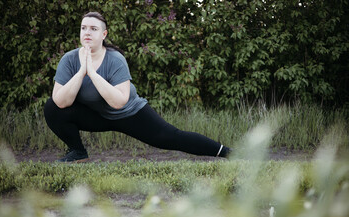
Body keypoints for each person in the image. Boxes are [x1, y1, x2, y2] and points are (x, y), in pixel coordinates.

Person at [44, 11, 231, 162]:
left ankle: (229, 153)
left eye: (93, 29)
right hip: (96, 116)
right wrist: (81, 71)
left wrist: (92, 73)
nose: (87, 32)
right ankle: (78, 152)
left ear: (103, 34)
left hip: (129, 114)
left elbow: (119, 102)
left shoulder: (115, 59)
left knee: (172, 137)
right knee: (51, 108)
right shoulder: (69, 59)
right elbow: (60, 102)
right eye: (84, 28)